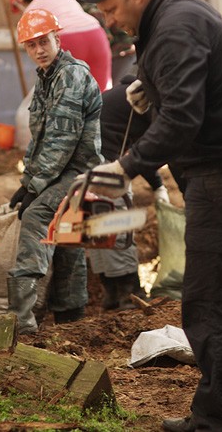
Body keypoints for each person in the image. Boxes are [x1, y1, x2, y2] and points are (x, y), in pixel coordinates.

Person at [78, 0, 222, 432]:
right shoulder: (176, 15)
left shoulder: (174, 28)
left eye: (109, 9)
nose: (108, 20)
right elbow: (187, 90)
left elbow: (183, 119)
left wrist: (124, 168)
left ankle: (219, 422)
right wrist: (147, 90)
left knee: (207, 300)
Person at [7, 8, 104, 334]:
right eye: (31, 45)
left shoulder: (70, 76)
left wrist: (34, 189)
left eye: (44, 41)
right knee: (65, 237)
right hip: (62, 171)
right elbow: (40, 138)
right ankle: (70, 317)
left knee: (36, 217)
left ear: (57, 39)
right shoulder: (47, 76)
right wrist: (27, 182)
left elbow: (62, 139)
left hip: (78, 172)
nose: (39, 49)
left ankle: (21, 323)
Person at [89, 73, 170, 311]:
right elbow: (150, 148)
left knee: (98, 225)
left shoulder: (128, 97)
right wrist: (159, 186)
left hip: (89, 164)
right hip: (101, 163)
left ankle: (112, 296)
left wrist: (157, 185)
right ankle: (130, 295)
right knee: (118, 220)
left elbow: (138, 150)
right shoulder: (150, 103)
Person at [7, 0, 113, 91]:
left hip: (69, 39)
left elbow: (36, 42)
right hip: (96, 35)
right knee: (101, 93)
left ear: (20, 1)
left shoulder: (31, 11)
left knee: (65, 94)